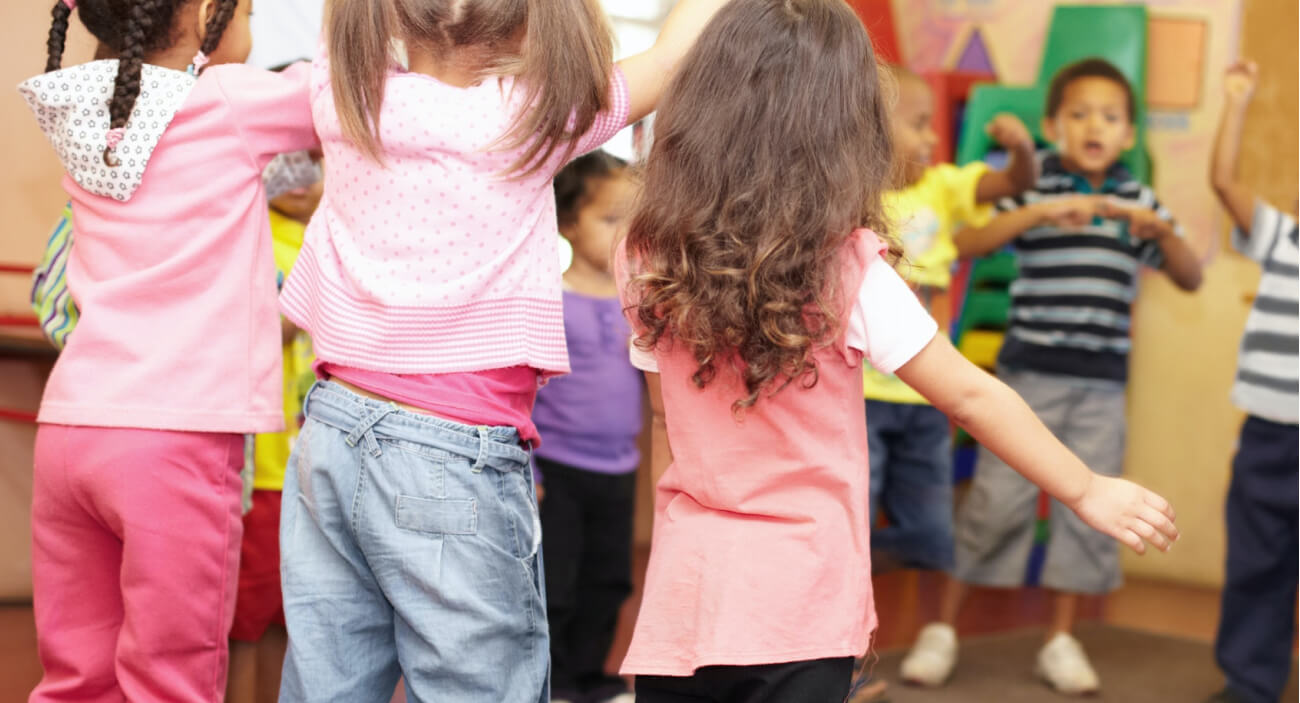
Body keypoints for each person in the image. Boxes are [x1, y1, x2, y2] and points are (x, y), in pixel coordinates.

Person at [613, 6, 1180, 702]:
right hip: (802, 605)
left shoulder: (646, 252)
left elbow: (664, 421)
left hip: (686, 596)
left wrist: (673, 548)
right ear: (848, 129)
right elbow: (969, 395)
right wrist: (1085, 488)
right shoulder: (846, 268)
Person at [274, 1, 728, 700]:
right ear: (526, 22)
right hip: (451, 450)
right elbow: (671, 58)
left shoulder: (345, 94)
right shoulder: (531, 120)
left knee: (327, 682)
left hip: (330, 432)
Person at [20, 0, 317, 699]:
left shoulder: (87, 104)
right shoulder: (227, 100)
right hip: (174, 437)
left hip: (69, 430)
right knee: (171, 675)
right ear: (210, 13)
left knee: (76, 674)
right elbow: (339, 95)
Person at [901, 57, 1203, 696]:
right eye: (1079, 113)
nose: (1095, 125)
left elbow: (1189, 275)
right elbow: (972, 242)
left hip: (1101, 388)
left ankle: (1060, 640)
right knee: (994, 505)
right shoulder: (1036, 184)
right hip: (1027, 379)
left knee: (1088, 516)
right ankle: (942, 629)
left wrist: (1162, 232)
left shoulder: (1137, 198)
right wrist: (1041, 213)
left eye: (1110, 117)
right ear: (1054, 125)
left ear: (1128, 135)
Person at [851, 67, 1036, 702]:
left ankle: (926, 629)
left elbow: (1015, 182)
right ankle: (840, 661)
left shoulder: (944, 188)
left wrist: (1020, 147)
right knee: (849, 529)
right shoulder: (852, 198)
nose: (933, 138)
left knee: (929, 534)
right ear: (874, 129)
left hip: (926, 401)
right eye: (919, 124)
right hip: (859, 400)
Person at [1203, 59, 1298, 703]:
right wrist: (1236, 100)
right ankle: (1251, 681)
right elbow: (1222, 180)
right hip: (1269, 435)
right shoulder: (1281, 239)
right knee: (1258, 561)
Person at [534, 151, 642, 703]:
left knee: (609, 579)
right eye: (609, 219)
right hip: (558, 469)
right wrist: (529, 469)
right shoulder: (551, 299)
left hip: (619, 468)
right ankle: (554, 684)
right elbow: (525, 392)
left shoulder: (638, 303)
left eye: (633, 220)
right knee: (557, 582)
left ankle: (593, 679)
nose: (625, 234)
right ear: (569, 223)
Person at [226, 154, 324, 703]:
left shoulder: (326, 233)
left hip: (314, 466)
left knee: (297, 620)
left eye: (313, 162)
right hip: (262, 465)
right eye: (284, 162)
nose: (301, 177)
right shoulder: (249, 231)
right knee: (245, 619)